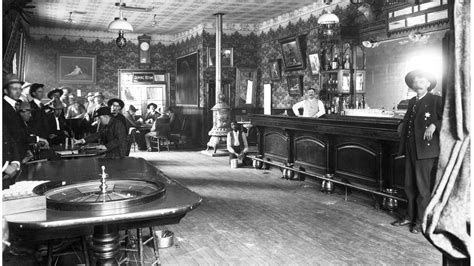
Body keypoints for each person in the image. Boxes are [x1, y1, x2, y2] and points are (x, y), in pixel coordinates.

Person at [391, 69, 442, 234]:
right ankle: (409, 216)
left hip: (426, 151)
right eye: (415, 80)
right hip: (411, 148)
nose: (417, 81)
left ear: (428, 84)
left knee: (422, 188)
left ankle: (420, 221)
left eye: (421, 79)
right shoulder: (412, 101)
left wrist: (435, 125)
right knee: (409, 185)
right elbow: (408, 120)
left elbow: (448, 119)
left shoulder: (436, 100)